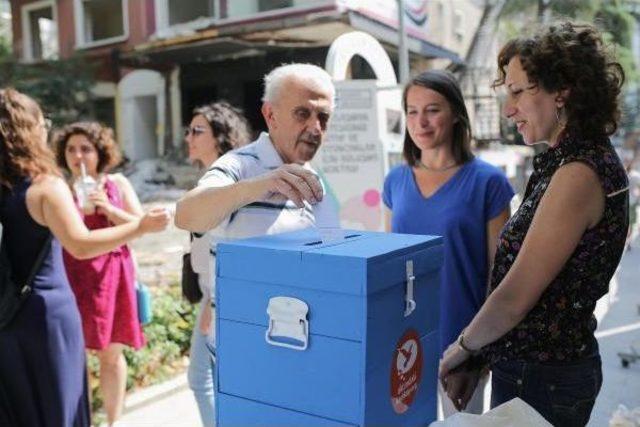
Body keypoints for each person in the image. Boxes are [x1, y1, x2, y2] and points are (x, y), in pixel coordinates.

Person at [439, 22, 628, 427]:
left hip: (543, 380)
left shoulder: (579, 172)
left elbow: (516, 296)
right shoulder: (564, 161)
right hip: (537, 372)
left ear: (561, 90)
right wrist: (483, 356)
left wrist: (462, 349)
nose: (509, 109)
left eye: (518, 91)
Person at [175, 63, 338, 424]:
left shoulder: (315, 176)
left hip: (301, 352)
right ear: (271, 115)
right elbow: (186, 213)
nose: (315, 128)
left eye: (323, 117)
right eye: (303, 113)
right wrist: (263, 184)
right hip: (248, 355)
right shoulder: (240, 166)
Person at [0, 89, 169, 426]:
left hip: (6, 316)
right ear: (30, 129)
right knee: (58, 406)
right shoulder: (46, 185)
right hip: (47, 314)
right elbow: (81, 244)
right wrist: (141, 226)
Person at [382, 69, 514, 416]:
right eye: (412, 111)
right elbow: (387, 265)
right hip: (405, 340)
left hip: (463, 343)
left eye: (432, 110)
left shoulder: (489, 182)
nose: (420, 121)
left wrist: (480, 348)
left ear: (456, 114)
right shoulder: (395, 181)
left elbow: (500, 275)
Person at [52, 121, 162, 426]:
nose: (78, 156)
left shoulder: (117, 184)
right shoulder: (59, 188)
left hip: (112, 275)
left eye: (85, 149)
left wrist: (108, 210)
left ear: (100, 152)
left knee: (111, 355)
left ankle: (114, 422)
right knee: (76, 357)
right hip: (72, 275)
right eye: (71, 149)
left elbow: (143, 225)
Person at [183, 101, 252, 427]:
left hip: (219, 297)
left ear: (220, 136)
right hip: (214, 295)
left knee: (202, 378)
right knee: (216, 377)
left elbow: (228, 246)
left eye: (198, 130)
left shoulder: (227, 182)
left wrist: (213, 301)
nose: (189, 137)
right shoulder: (213, 179)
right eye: (189, 130)